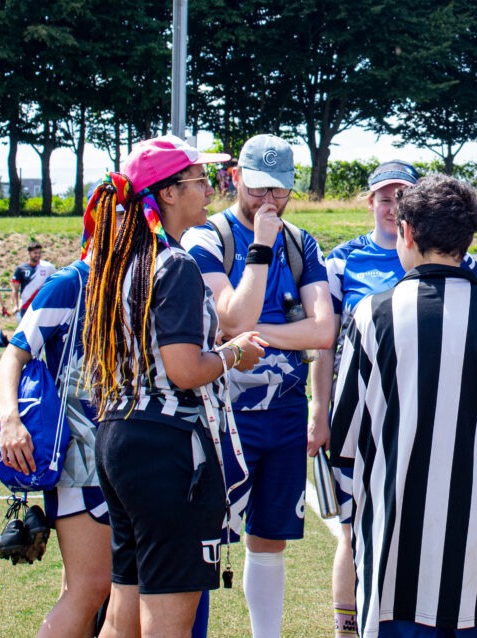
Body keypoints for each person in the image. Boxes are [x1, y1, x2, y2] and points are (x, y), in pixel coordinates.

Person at [329, 176, 477, 638]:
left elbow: (344, 437)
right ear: (468, 240)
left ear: (406, 232)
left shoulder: (371, 315)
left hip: (393, 542)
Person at [83, 135, 266, 637]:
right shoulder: (176, 264)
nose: (211, 191)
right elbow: (185, 369)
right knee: (167, 621)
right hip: (167, 447)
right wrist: (234, 353)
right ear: (168, 192)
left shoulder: (117, 264)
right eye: (201, 181)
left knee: (123, 609)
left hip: (118, 436)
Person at [182, 133, 335, 638]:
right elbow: (231, 318)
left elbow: (323, 330)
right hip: (219, 415)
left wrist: (249, 333)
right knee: (203, 538)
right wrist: (261, 247)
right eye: (259, 187)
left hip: (285, 412)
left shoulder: (301, 242)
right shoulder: (206, 237)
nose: (270, 200)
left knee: (270, 539)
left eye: (280, 189)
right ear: (236, 179)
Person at [0, 238, 109, 636]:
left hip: (121, 454)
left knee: (99, 589)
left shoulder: (138, 280)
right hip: (79, 459)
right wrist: (10, 418)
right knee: (90, 589)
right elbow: (15, 353)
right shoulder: (70, 283)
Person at [11, 241, 56, 320]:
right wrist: (15, 305)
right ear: (29, 253)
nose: (38, 255)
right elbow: (15, 290)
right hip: (26, 305)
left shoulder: (48, 267)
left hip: (42, 305)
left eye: (39, 253)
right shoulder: (21, 269)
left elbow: (55, 284)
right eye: (35, 253)